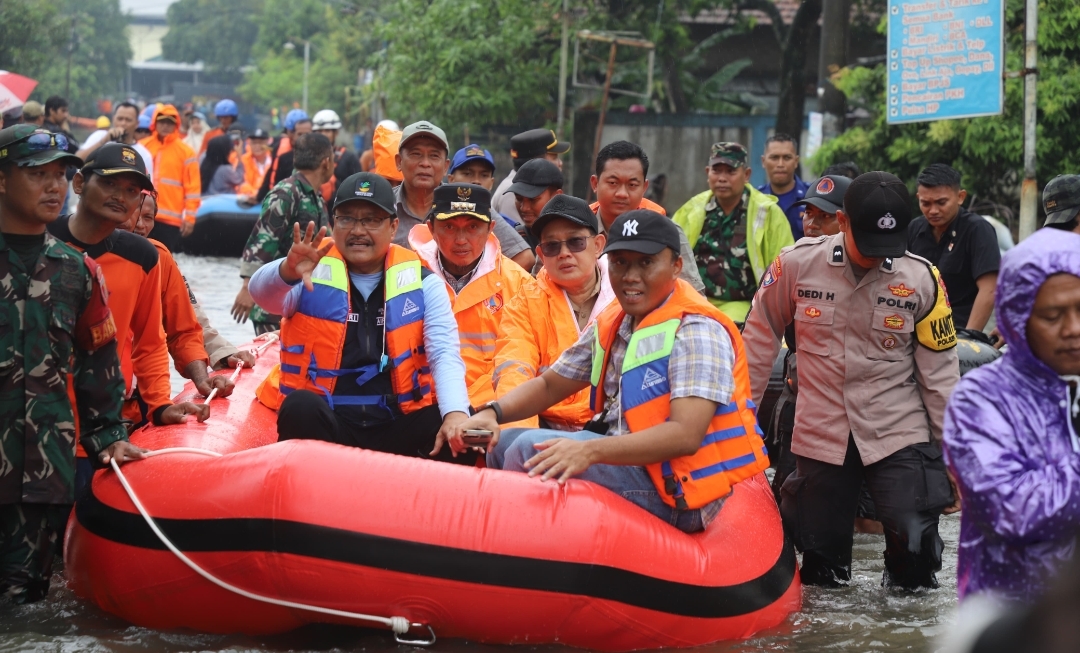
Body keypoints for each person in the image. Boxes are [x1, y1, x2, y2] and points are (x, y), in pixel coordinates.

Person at [452, 209, 770, 533]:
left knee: (525, 450)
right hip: (625, 459)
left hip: (675, 487)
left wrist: (588, 450)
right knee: (503, 442)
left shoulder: (697, 329)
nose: (630, 276)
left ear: (676, 266)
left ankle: (516, 545)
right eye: (620, 263)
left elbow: (686, 435)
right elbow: (549, 385)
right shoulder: (617, 318)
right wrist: (492, 413)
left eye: (645, 263)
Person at [742, 171, 961, 589]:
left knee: (916, 558)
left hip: (898, 429)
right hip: (820, 429)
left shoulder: (922, 279)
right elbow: (756, 344)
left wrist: (954, 454)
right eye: (868, 244)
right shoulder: (795, 265)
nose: (879, 256)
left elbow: (940, 374)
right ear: (842, 222)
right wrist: (738, 427)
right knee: (821, 570)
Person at [0, 125, 144, 603]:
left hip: (43, 474)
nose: (54, 186)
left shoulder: (77, 271)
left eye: (61, 174)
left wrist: (110, 437)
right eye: (37, 174)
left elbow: (98, 367)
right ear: (2, 180)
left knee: (27, 607)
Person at [249, 172, 474, 464]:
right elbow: (261, 294)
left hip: (397, 424)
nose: (358, 230)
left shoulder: (423, 282)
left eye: (370, 220)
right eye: (347, 219)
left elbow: (443, 352)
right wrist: (286, 271)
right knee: (299, 407)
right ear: (333, 224)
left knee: (464, 422)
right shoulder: (309, 270)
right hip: (332, 423)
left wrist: (456, 413)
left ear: (393, 227)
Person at [48, 144, 212, 486]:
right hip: (35, 427)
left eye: (131, 191)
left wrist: (160, 406)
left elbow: (152, 342)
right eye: (109, 184)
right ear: (79, 184)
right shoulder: (39, 241)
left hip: (102, 429)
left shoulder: (145, 257)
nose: (120, 196)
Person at [942, 227, 1080, 603]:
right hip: (1019, 617)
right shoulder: (981, 398)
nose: (1074, 329)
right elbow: (1010, 509)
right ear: (1018, 318)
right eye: (1053, 315)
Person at [493, 194, 614, 430]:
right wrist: (517, 434)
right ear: (540, 254)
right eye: (552, 246)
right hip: (546, 429)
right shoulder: (525, 303)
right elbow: (514, 371)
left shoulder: (627, 296)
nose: (564, 253)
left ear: (598, 245)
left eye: (576, 242)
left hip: (613, 430)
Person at [408, 183, 532, 406]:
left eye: (473, 227)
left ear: (490, 229)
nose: (461, 240)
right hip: (419, 407)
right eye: (449, 227)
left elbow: (520, 366)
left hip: (489, 409)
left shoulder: (520, 284)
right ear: (432, 228)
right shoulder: (405, 276)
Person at [121, 189, 255, 370]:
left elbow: (190, 320)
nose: (140, 225)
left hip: (138, 381)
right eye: (133, 214)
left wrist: (223, 353)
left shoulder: (161, 259)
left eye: (148, 217)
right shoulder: (84, 256)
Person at [672, 142, 794, 322]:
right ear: (708, 173)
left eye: (730, 171)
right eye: (716, 171)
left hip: (744, 304)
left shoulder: (768, 213)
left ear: (746, 175)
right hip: (693, 300)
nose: (722, 178)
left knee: (725, 327)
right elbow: (669, 256)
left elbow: (786, 266)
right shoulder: (691, 209)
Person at [391, 121, 534, 272]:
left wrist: (475, 287)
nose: (425, 163)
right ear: (399, 161)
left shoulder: (467, 201)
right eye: (416, 154)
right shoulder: (383, 205)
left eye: (434, 156)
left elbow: (524, 257)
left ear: (446, 166)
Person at [234, 133, 334, 335]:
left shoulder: (316, 197)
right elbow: (263, 240)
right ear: (326, 163)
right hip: (273, 307)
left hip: (301, 302)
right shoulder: (286, 193)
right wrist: (247, 287)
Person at [590, 141, 705, 293]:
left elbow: (693, 294)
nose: (622, 193)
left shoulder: (667, 232)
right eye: (613, 183)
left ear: (644, 188)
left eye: (632, 185)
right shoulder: (578, 230)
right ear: (595, 183)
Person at [907, 163, 1000, 332]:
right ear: (918, 198)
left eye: (941, 202)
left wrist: (969, 338)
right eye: (925, 203)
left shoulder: (978, 230)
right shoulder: (913, 229)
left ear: (960, 197)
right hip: (916, 330)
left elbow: (989, 289)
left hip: (959, 330)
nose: (933, 210)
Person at [138, 104, 201, 250]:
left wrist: (190, 219)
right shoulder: (143, 147)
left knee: (163, 259)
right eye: (162, 122)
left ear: (176, 125)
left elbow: (193, 189)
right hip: (140, 214)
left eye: (170, 122)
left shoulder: (187, 152)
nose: (165, 126)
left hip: (170, 220)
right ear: (155, 123)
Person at [491, 128, 570, 224]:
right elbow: (514, 237)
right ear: (536, 161)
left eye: (532, 200)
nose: (560, 163)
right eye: (554, 157)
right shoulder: (510, 192)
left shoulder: (522, 184)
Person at [74, 102, 153, 178]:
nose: (123, 123)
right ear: (113, 119)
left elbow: (148, 187)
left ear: (137, 124)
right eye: (120, 119)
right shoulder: (100, 136)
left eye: (128, 120)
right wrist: (104, 140)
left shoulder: (144, 154)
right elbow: (77, 160)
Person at [757, 133, 810, 239]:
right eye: (774, 157)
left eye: (787, 157)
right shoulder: (755, 199)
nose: (780, 164)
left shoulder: (812, 196)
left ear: (796, 162)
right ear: (763, 161)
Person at [507, 157, 563, 254]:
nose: (524, 208)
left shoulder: (578, 238)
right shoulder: (513, 244)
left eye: (533, 200)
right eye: (519, 199)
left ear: (556, 197)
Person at [255, 109, 312, 202]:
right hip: (279, 198)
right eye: (292, 132)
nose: (294, 136)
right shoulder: (279, 147)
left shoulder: (315, 153)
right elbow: (271, 172)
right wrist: (259, 197)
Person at [312, 109, 363, 206]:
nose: (323, 134)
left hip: (340, 210)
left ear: (336, 133)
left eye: (327, 131)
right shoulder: (308, 158)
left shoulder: (349, 158)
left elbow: (359, 188)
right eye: (319, 131)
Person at [240, 128, 272, 196]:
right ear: (249, 144)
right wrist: (256, 194)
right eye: (254, 143)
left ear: (267, 143)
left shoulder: (275, 159)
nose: (257, 146)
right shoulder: (243, 161)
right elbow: (241, 183)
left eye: (261, 142)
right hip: (249, 201)